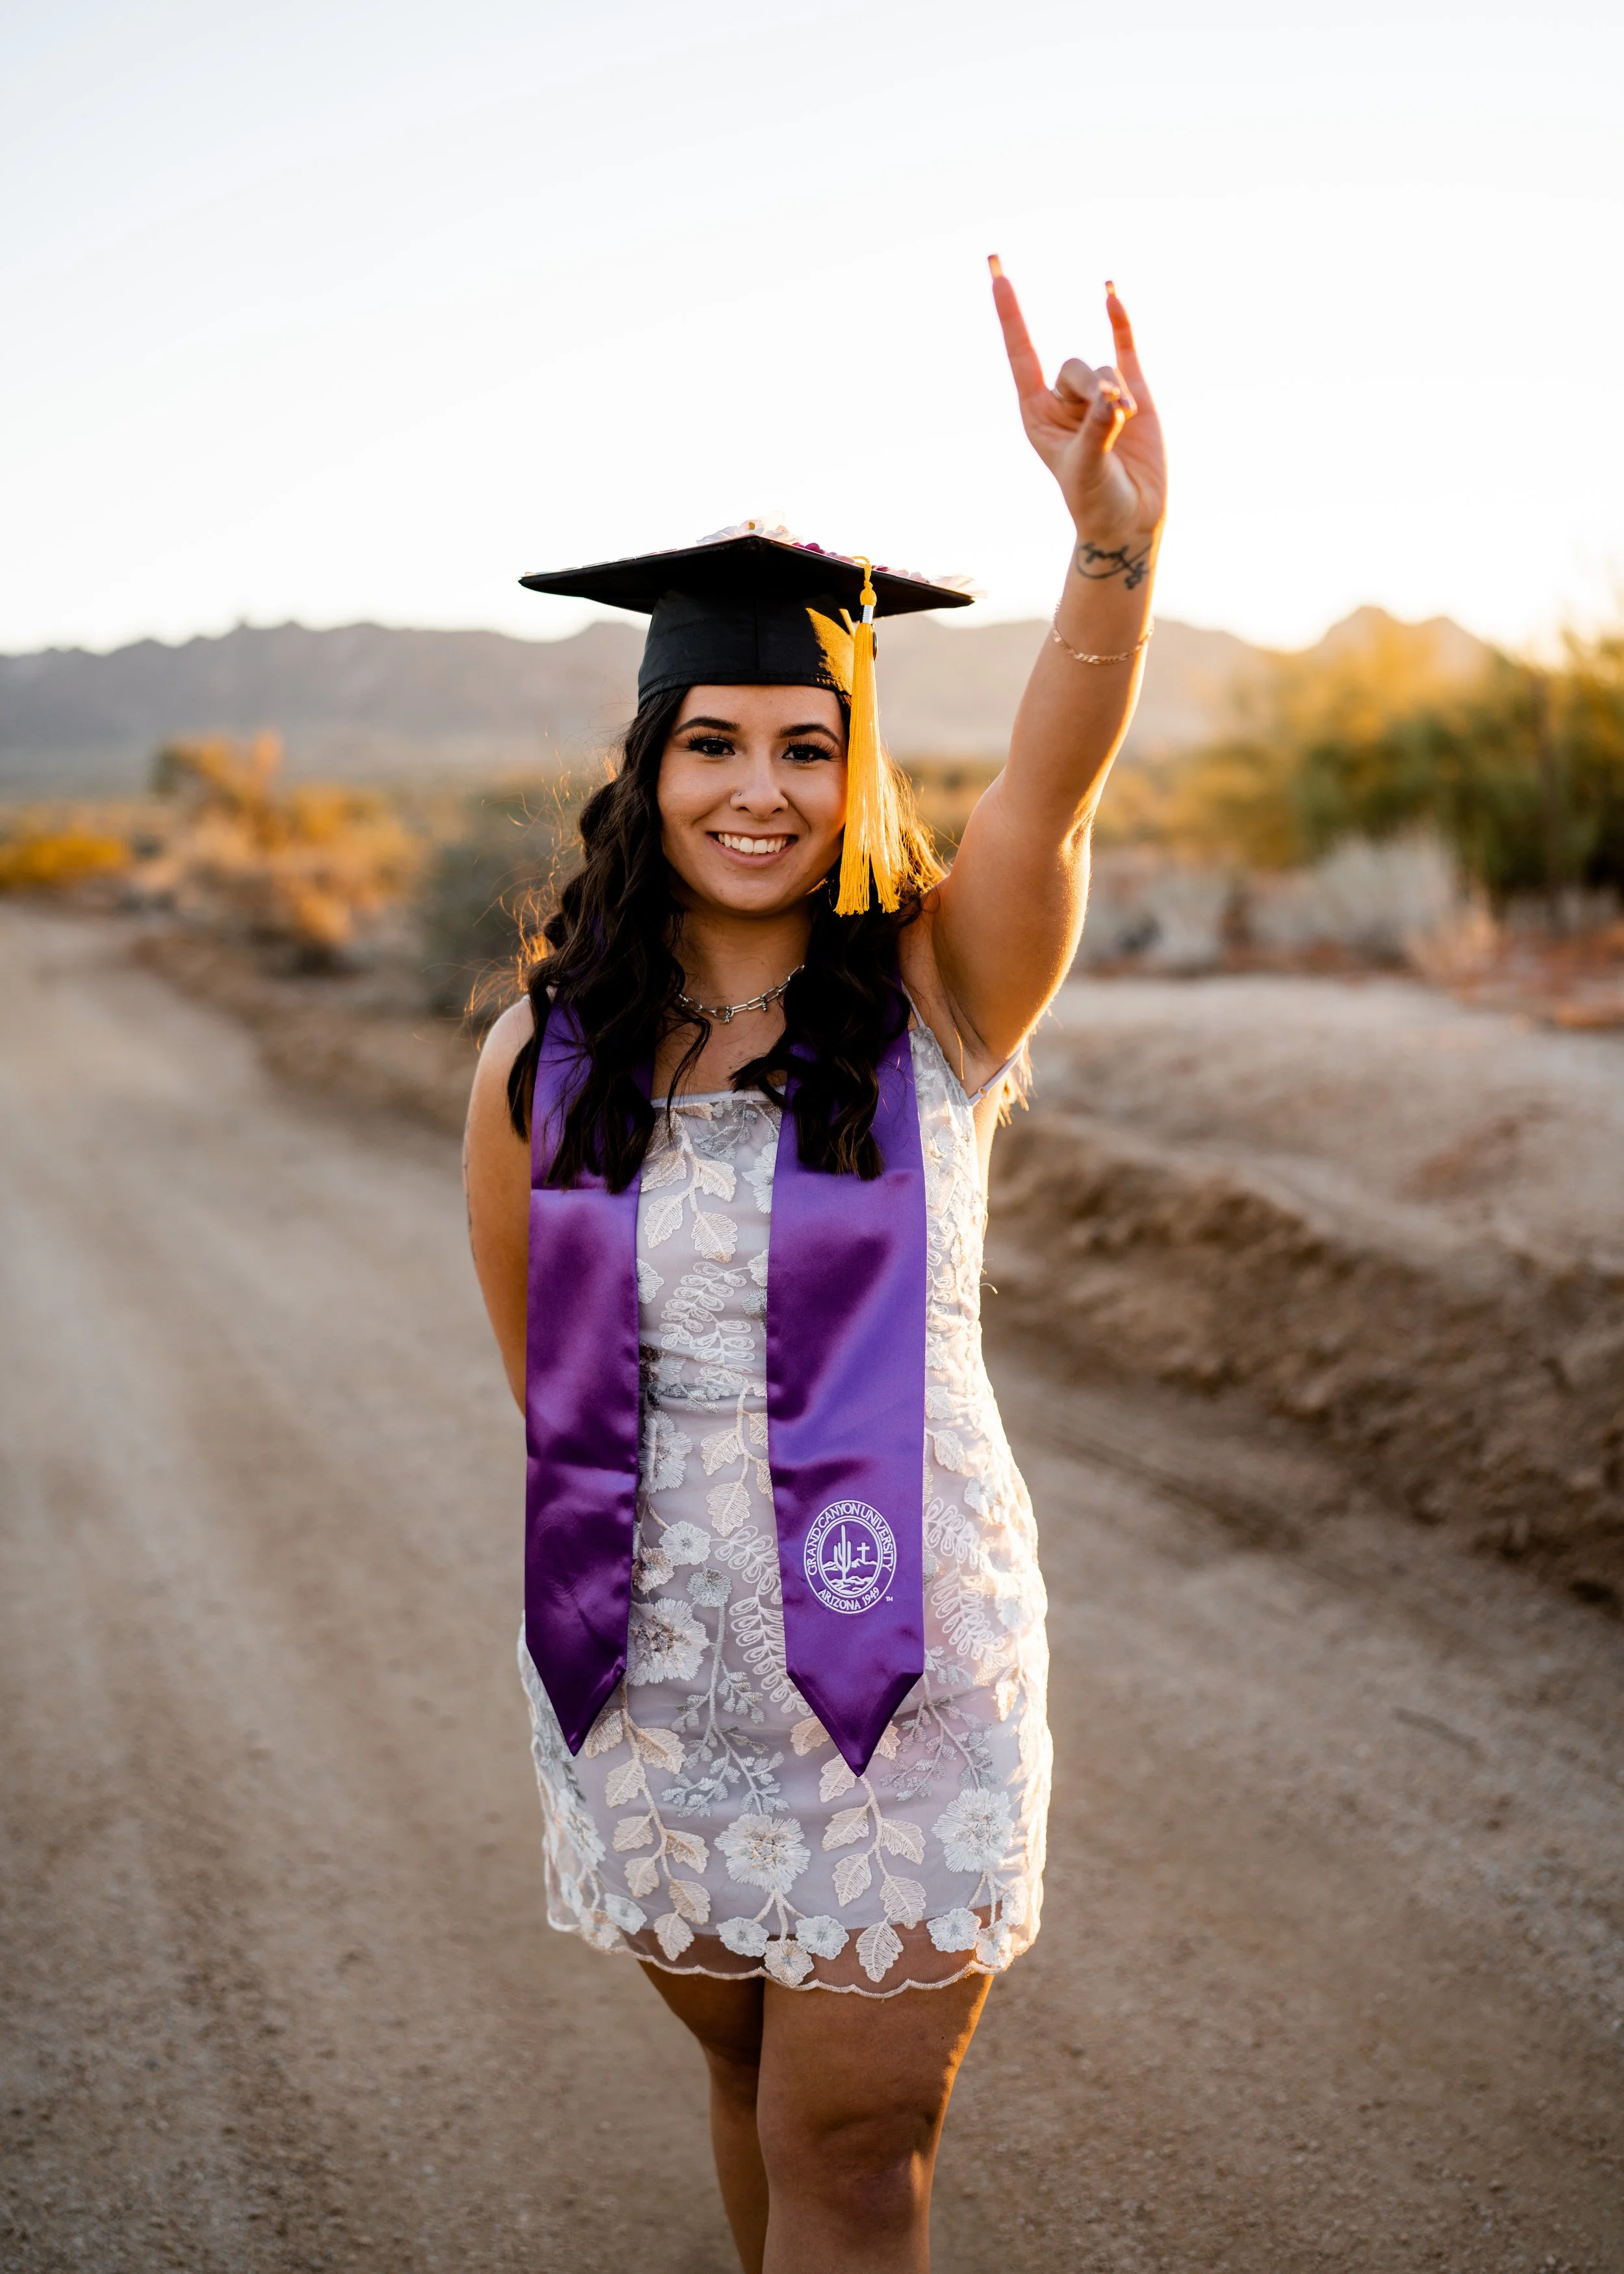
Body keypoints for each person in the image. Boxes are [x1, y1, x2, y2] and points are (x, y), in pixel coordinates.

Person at [463, 260, 1167, 2274]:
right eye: (709, 742)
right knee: (753, 2086)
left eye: (799, 741)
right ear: (650, 761)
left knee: (853, 2147)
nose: (754, 787)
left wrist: (1109, 538)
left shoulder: (945, 988)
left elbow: (1055, 775)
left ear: (849, 760)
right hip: (648, 1687)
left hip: (910, 1679)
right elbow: (543, 1385)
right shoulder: (542, 1059)